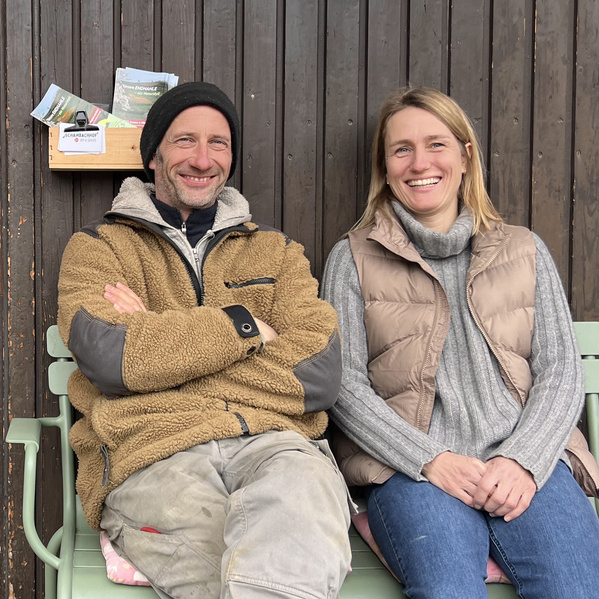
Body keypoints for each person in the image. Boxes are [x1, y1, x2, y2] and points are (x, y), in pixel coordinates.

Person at [57, 81, 352, 599]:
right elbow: (112, 360)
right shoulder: (99, 248)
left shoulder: (277, 252)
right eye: (184, 140)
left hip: (277, 445)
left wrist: (162, 356)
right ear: (154, 156)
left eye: (218, 143)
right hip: (152, 455)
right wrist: (246, 326)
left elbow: (318, 373)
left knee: (291, 534)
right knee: (246, 575)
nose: (202, 158)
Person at [321, 86, 599, 599]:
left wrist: (523, 459)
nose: (419, 163)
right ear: (385, 167)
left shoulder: (523, 249)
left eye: (437, 145)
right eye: (402, 149)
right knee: (448, 590)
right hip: (412, 469)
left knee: (576, 589)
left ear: (466, 157)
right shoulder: (352, 257)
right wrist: (430, 459)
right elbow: (344, 386)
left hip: (525, 458)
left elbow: (562, 370)